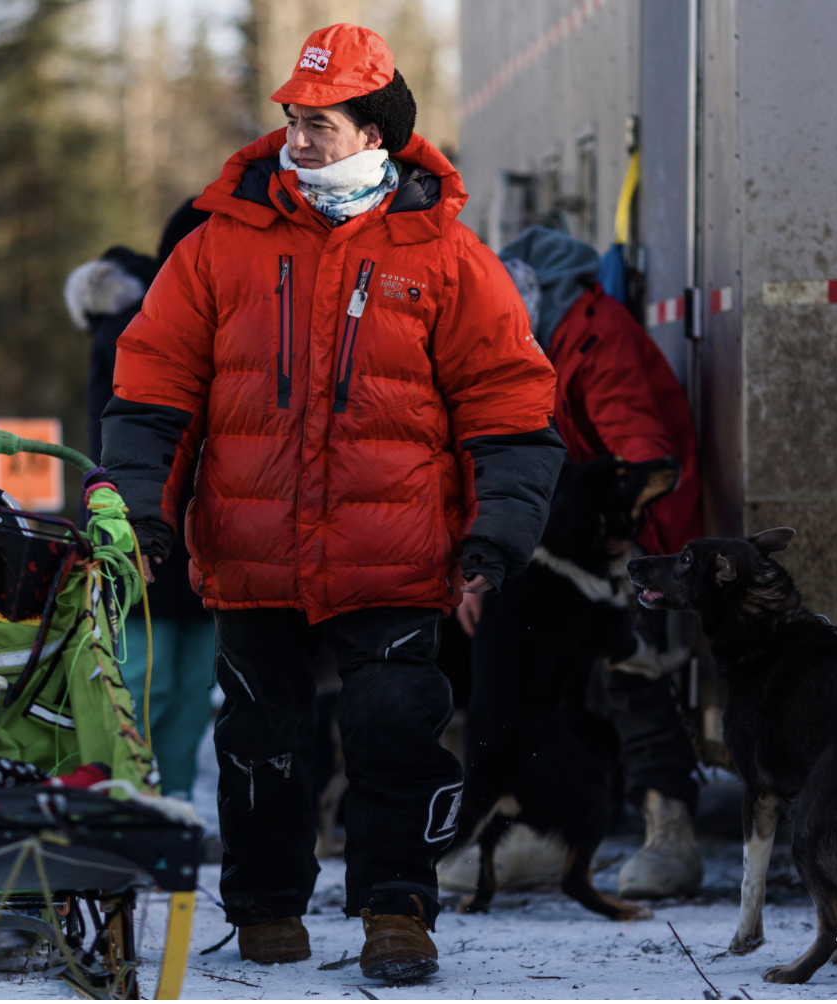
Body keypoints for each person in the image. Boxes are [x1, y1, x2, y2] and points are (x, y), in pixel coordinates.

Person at [101, 24, 563, 982]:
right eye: (292, 119)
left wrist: (500, 528)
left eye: (321, 123)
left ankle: (398, 910)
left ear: (374, 132)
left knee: (395, 735)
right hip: (251, 544)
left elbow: (510, 405)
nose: (299, 139)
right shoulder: (219, 244)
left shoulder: (445, 254)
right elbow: (152, 389)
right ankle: (267, 906)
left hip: (396, 549)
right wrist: (143, 508)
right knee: (259, 741)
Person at [476, 225, 704, 899]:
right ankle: (546, 831)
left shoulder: (594, 336)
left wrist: (616, 537)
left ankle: (671, 832)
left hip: (642, 538)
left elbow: (641, 451)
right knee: (553, 676)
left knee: (633, 671)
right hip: (585, 543)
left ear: (536, 293)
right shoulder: (545, 340)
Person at [64, 198, 214, 801]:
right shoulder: (157, 320)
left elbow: (111, 441)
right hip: (174, 522)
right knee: (173, 678)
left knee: (161, 677)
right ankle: (153, 799)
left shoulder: (136, 327)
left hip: (157, 523)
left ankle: (150, 797)